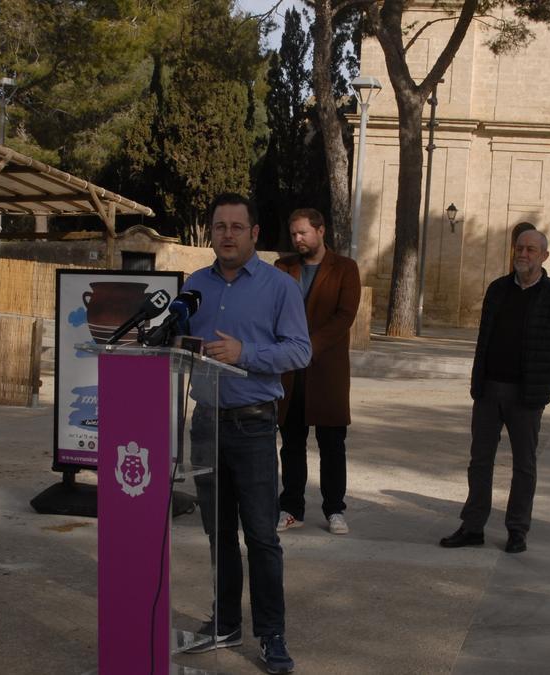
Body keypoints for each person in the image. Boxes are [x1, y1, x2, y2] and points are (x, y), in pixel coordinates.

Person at [184, 193, 310, 674]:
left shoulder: (280, 288)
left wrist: (247, 354)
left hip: (254, 424)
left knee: (261, 536)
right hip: (205, 423)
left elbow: (300, 351)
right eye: (220, 227)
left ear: (255, 233)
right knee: (218, 533)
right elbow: (179, 342)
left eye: (238, 226)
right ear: (211, 233)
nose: (228, 234)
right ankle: (224, 621)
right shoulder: (195, 285)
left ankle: (272, 634)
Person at [440, 222, 550, 554]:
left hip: (526, 397)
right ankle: (473, 526)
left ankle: (517, 529)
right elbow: (484, 340)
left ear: (544, 256)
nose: (523, 254)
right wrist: (479, 380)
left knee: (524, 465)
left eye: (531, 249)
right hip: (489, 391)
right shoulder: (497, 289)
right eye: (519, 248)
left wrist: (544, 387)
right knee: (480, 461)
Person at [274, 208, 361, 536]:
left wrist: (307, 347)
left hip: (327, 371)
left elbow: (344, 316)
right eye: (294, 233)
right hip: (290, 373)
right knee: (292, 444)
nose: (298, 239)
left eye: (303, 233)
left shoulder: (345, 269)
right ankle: (291, 507)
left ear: (320, 231)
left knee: (332, 444)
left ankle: (335, 509)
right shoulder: (282, 268)